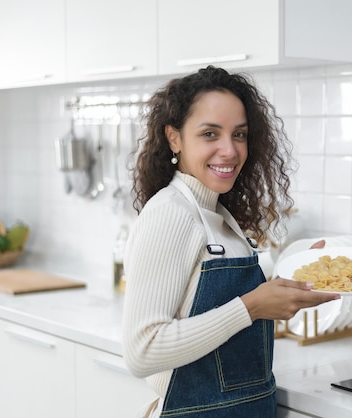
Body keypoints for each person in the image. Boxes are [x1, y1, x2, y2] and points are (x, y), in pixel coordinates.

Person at [122, 66, 339, 418]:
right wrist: (252, 306)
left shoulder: (218, 215)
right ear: (174, 138)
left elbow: (221, 315)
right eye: (210, 133)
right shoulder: (171, 213)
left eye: (239, 135)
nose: (230, 150)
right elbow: (141, 351)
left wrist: (284, 293)